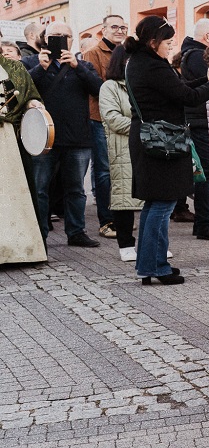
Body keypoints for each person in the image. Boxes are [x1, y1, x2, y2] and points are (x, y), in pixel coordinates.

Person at [125, 16, 209, 285]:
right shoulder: (151, 66)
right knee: (161, 204)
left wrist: (208, 78)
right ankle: (154, 266)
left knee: (157, 203)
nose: (171, 46)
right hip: (160, 142)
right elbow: (188, 98)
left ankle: (153, 264)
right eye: (168, 41)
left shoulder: (143, 62)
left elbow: (177, 89)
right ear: (153, 42)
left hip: (153, 140)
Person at [28, 22, 105, 248]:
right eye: (55, 36)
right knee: (40, 189)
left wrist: (77, 67)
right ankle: (40, 235)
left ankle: (76, 232)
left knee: (76, 189)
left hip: (77, 138)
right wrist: (39, 69)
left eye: (65, 36)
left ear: (72, 40)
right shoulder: (32, 62)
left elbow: (99, 90)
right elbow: (21, 89)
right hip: (43, 139)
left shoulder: (83, 65)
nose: (60, 39)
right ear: (45, 38)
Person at [82, 13, 129, 240]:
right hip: (100, 118)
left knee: (120, 170)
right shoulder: (93, 53)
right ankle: (106, 220)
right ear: (104, 29)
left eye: (123, 27)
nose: (119, 31)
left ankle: (121, 218)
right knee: (103, 171)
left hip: (124, 118)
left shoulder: (128, 52)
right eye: (114, 27)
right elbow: (94, 86)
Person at [99, 46, 145, 262]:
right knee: (123, 197)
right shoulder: (109, 87)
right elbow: (112, 118)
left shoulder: (143, 82)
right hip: (123, 147)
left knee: (151, 196)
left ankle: (149, 244)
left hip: (145, 146)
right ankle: (126, 245)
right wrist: (143, 127)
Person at [0, 48, 46, 263]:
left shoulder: (14, 67)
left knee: (18, 191)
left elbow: (30, 95)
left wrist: (34, 104)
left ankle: (24, 249)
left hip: (11, 138)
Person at [179, 18, 209, 241]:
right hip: (199, 120)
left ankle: (204, 222)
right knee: (208, 173)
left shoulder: (192, 54)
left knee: (207, 172)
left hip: (199, 119)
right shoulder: (198, 56)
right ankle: (205, 222)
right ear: (207, 37)